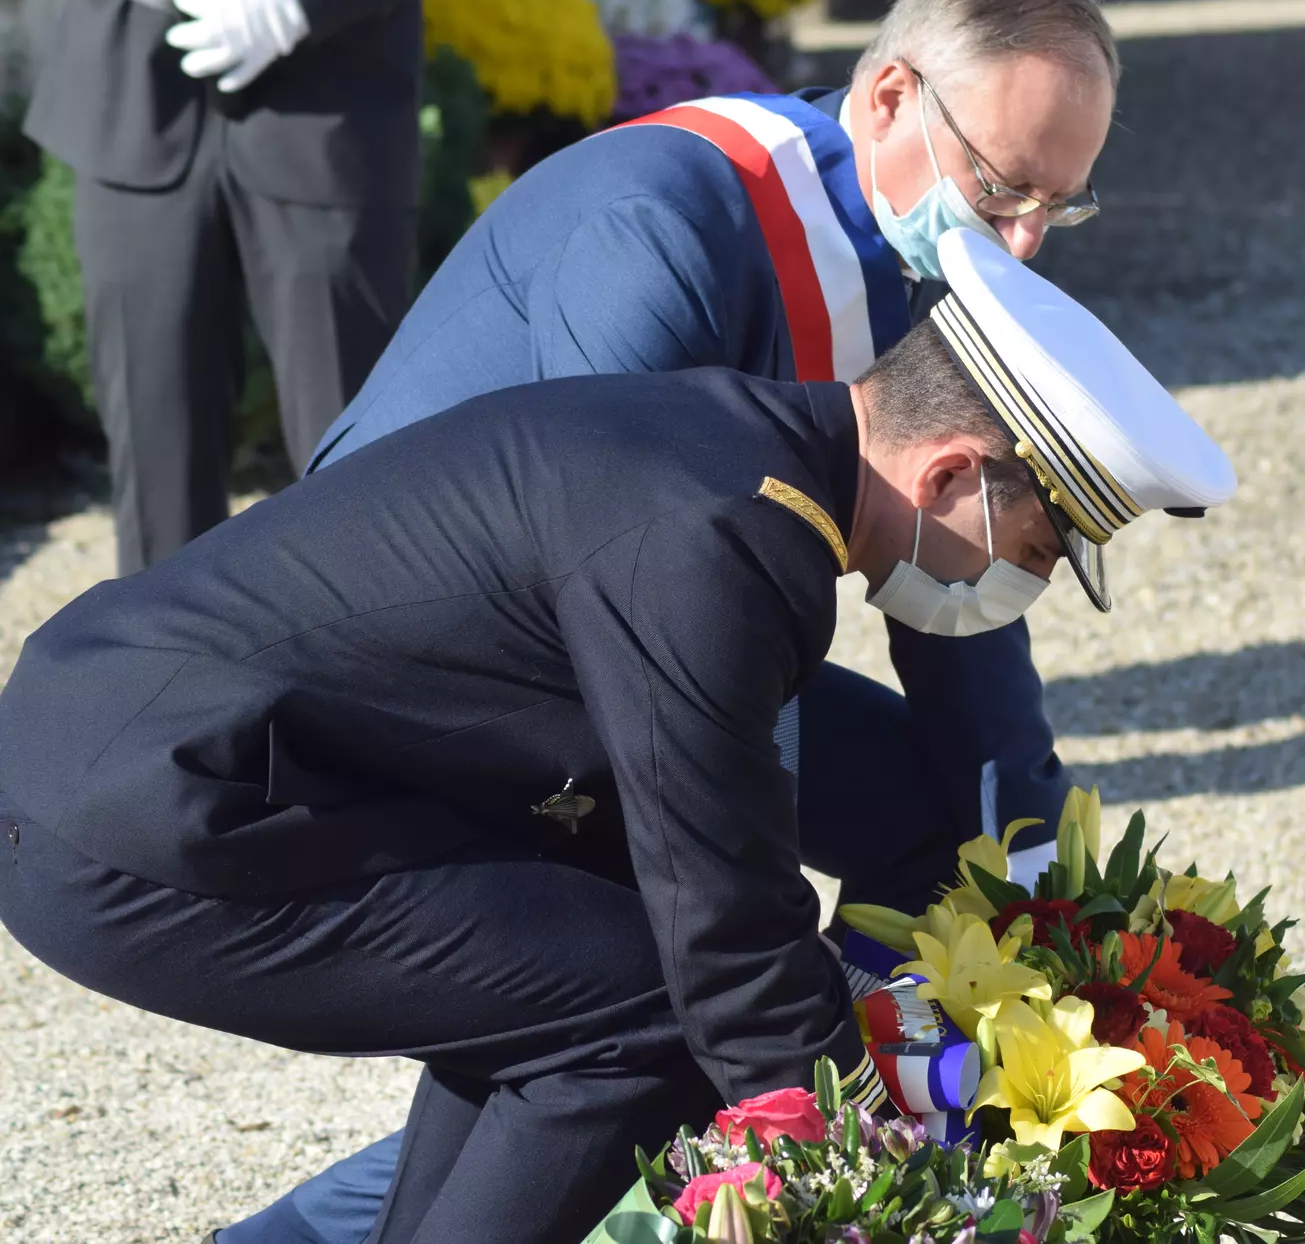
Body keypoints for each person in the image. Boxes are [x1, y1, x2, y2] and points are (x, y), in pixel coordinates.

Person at [0, 229, 1238, 1244]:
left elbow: (683, 834)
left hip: (171, 753)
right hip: (154, 810)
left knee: (590, 973)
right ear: (949, 474)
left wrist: (871, 1045)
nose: (1010, 592)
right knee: (646, 1013)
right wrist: (866, 1134)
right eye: (1030, 551)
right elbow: (721, 915)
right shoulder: (723, 534)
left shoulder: (743, 456)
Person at [210, 0, 1122, 1244]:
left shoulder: (934, 248)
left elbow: (958, 575)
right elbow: (633, 601)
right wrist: (763, 978)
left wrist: (1034, 892)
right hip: (413, 676)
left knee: (937, 828)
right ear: (888, 100)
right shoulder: (662, 223)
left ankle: (886, 1158)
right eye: (1005, 187)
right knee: (660, 977)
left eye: (1060, 207)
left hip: (653, 635)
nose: (1024, 240)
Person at [20, 0, 512, 576]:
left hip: (335, 82)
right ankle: (168, 669)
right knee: (155, 448)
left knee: (355, 461)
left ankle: (363, 671)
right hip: (132, 78)